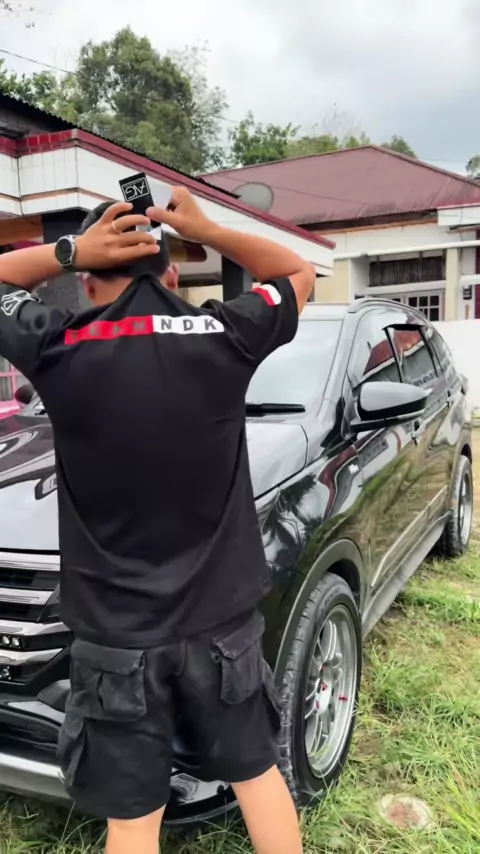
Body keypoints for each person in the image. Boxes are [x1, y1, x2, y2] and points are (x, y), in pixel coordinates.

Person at [0, 189, 316, 854]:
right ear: (173, 276)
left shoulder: (60, 346)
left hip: (117, 640)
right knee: (258, 778)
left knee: (133, 821)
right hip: (221, 629)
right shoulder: (225, 334)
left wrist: (68, 250)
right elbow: (297, 272)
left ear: (87, 284)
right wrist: (208, 230)